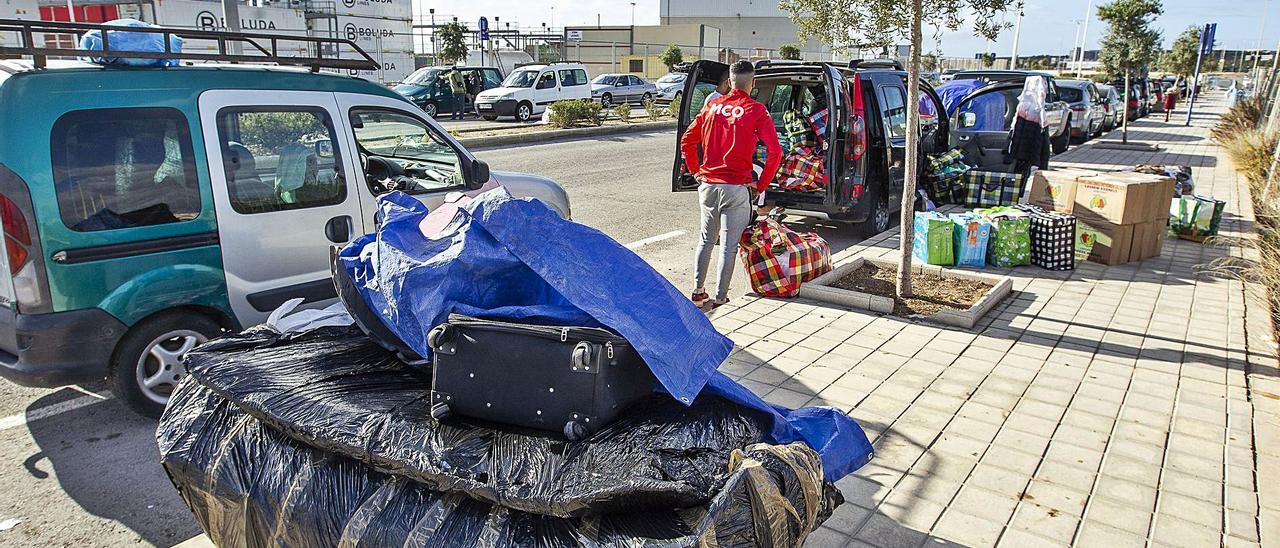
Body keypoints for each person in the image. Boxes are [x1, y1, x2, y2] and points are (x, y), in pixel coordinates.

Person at [679, 60, 782, 308]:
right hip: (736, 187)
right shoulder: (757, 110)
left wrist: (696, 172)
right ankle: (720, 298)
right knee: (728, 246)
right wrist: (761, 185)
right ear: (753, 83)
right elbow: (775, 152)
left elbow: (687, 141)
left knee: (705, 240)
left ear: (729, 82)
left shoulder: (712, 106)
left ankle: (697, 292)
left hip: (708, 185)